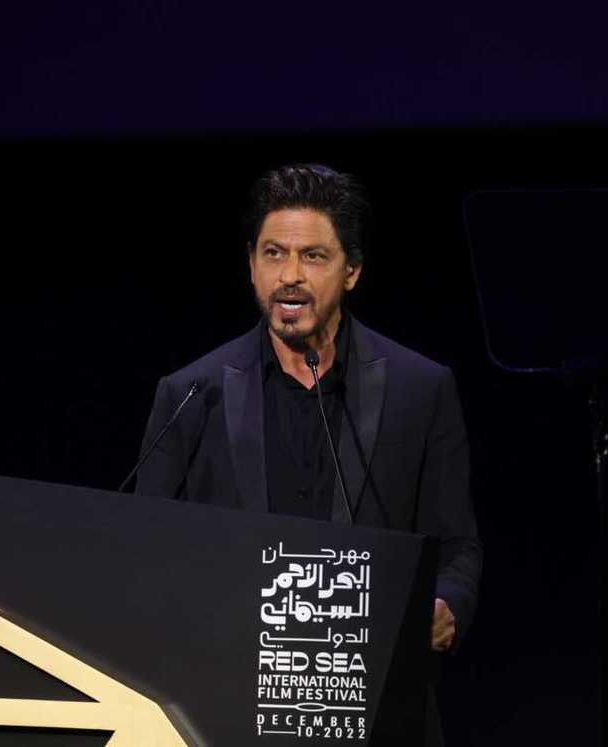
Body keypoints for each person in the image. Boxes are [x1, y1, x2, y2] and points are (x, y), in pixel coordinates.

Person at [135, 163, 482, 744]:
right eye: (274, 253)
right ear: (251, 265)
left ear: (352, 270)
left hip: (375, 708)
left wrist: (448, 603)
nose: (289, 276)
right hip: (230, 710)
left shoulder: (421, 390)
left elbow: (458, 546)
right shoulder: (190, 395)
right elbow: (144, 546)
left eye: (313, 257)